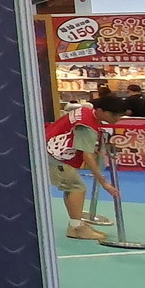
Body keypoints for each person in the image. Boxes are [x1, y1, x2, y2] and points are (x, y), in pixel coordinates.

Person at [47, 103, 114, 241]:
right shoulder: (88, 127)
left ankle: (76, 224)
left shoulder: (85, 111)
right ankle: (76, 228)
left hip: (49, 144)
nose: (117, 118)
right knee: (76, 187)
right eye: (114, 115)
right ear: (102, 111)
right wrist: (103, 182)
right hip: (54, 156)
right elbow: (87, 157)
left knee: (72, 187)